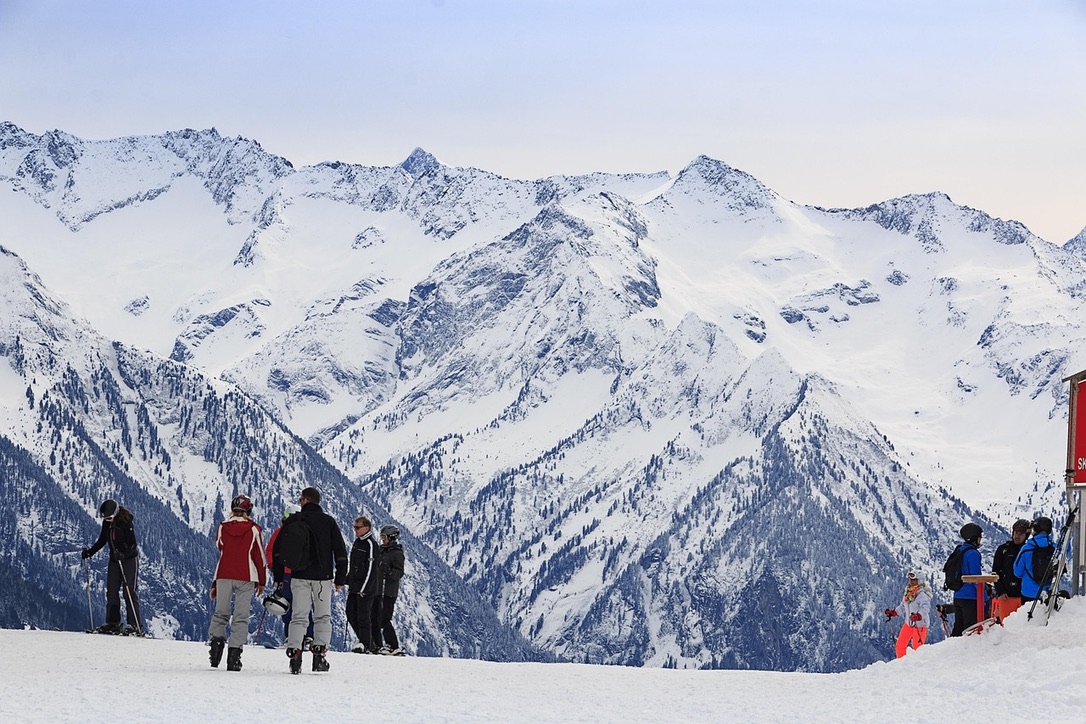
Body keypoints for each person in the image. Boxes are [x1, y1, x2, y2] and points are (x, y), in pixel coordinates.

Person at [272, 486, 348, 674]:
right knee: (322, 616)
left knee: (299, 616)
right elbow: (340, 552)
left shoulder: (294, 521)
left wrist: (280, 577)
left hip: (298, 576)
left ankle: (295, 653)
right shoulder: (328, 522)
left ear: (305, 500)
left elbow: (277, 550)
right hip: (323, 578)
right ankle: (319, 655)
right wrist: (340, 578)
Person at [207, 494, 266, 671]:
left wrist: (215, 583)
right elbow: (259, 556)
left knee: (220, 613)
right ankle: (234, 657)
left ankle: (215, 652)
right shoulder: (254, 529)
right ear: (248, 510)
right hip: (246, 575)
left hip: (224, 573)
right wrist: (261, 580)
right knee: (240, 617)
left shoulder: (222, 527)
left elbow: (220, 546)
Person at [81, 499, 142, 635]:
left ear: (115, 514)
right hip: (114, 560)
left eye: (109, 518)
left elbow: (133, 544)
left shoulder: (126, 522)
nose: (107, 520)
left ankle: (134, 625)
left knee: (129, 592)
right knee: (112, 592)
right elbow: (103, 540)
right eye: (105, 518)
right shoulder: (107, 524)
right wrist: (90, 552)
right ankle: (112, 623)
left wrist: (124, 555)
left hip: (129, 561)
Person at [264, 504, 313, 647]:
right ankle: (308, 636)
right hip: (304, 575)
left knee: (287, 606)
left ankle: (291, 637)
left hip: (286, 575)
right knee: (303, 606)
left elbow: (270, 551)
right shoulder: (308, 531)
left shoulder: (280, 532)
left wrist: (275, 570)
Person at [347, 515, 380, 653]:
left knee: (363, 616)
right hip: (355, 587)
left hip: (365, 588)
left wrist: (364, 588)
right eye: (354, 527)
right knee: (350, 613)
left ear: (366, 528)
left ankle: (366, 644)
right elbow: (353, 567)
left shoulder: (371, 545)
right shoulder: (357, 542)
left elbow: (372, 569)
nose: (355, 530)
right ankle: (366, 642)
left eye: (358, 527)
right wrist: (345, 581)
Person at [373, 524, 406, 656]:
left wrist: (389, 571)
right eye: (381, 536)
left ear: (391, 538)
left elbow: (399, 572)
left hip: (388, 592)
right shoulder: (381, 550)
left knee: (384, 618)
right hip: (377, 589)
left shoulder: (397, 553)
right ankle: (377, 643)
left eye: (384, 537)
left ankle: (393, 645)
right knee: (375, 617)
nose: (382, 539)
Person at [950, 522, 986, 636]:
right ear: (975, 538)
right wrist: (984, 597)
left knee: (958, 629)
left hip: (958, 595)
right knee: (970, 631)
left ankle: (951, 651)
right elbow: (976, 578)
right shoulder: (973, 554)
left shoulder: (959, 550)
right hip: (970, 597)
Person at [884, 572, 932, 658]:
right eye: (911, 580)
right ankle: (901, 663)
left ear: (920, 581)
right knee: (900, 645)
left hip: (920, 625)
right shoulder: (908, 592)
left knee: (917, 649)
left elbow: (925, 608)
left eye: (914, 580)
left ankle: (917, 667)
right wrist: (894, 612)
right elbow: (903, 606)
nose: (911, 581)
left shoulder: (922, 594)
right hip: (909, 623)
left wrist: (918, 616)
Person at [991, 518, 1030, 622]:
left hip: (1025, 596)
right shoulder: (1003, 549)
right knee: (1007, 627)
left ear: (1026, 535)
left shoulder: (1029, 550)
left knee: (1025, 628)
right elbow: (995, 572)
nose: (1017, 536)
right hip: (1007, 596)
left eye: (1020, 534)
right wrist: (1000, 591)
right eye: (1015, 532)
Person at [1014, 516, 1055, 603]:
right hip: (1049, 593)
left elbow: (1017, 572)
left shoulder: (1026, 549)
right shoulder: (1054, 548)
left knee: (1028, 616)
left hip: (1028, 593)